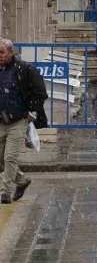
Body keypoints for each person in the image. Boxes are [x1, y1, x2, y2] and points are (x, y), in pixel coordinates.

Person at [0, 38, 48, 204]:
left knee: (9, 157)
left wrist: (32, 112)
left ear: (11, 52)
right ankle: (21, 181)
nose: (0, 56)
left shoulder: (24, 69)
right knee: (1, 160)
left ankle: (4, 191)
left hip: (18, 120)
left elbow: (40, 92)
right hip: (1, 121)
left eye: (2, 53)